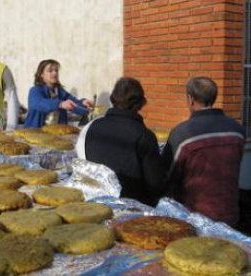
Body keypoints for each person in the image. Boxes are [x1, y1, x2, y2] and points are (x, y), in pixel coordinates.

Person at [161, 76, 245, 227]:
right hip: (231, 213)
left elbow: (167, 175)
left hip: (195, 217)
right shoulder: (237, 129)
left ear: (190, 99)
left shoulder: (182, 133)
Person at [76, 77, 165, 206]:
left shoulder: (90, 126)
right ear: (141, 103)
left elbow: (80, 164)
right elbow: (156, 184)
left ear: (113, 99)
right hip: (132, 207)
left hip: (93, 202)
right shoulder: (145, 136)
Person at [24, 59, 93, 128]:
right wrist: (60, 104)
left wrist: (83, 103)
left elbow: (73, 103)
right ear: (42, 74)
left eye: (56, 70)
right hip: (36, 133)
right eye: (50, 71)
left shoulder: (60, 92)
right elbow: (38, 103)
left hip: (56, 133)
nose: (55, 73)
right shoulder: (35, 90)